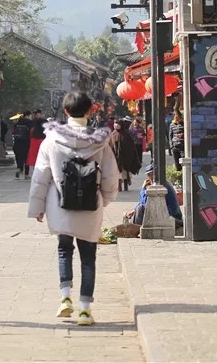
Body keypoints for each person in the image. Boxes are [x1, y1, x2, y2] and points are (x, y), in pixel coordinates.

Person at [27, 92, 119, 327]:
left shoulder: (51, 141)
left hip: (60, 206)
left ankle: (65, 297)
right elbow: (111, 177)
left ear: (66, 111)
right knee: (88, 258)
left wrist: (37, 207)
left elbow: (41, 177)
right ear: (89, 111)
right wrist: (105, 199)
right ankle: (85, 310)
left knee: (64, 250)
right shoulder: (101, 143)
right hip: (90, 206)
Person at [127, 165, 184, 232]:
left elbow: (147, 203)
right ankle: (130, 228)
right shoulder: (157, 184)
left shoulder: (162, 185)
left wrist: (143, 189)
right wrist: (134, 210)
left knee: (140, 209)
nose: (151, 177)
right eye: (149, 175)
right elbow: (143, 202)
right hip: (164, 213)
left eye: (152, 174)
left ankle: (133, 230)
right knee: (138, 209)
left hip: (172, 217)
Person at [110, 118, 141, 192]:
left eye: (118, 124)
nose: (116, 126)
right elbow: (110, 145)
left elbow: (130, 146)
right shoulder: (113, 134)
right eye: (115, 124)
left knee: (125, 172)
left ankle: (126, 185)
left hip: (125, 157)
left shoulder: (126, 134)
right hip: (115, 157)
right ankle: (119, 186)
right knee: (117, 172)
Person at [12, 112, 32, 179]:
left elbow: (13, 132)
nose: (31, 117)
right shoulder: (29, 123)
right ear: (27, 116)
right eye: (30, 116)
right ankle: (26, 175)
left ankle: (18, 169)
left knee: (19, 158)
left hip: (17, 143)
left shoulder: (17, 123)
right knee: (27, 159)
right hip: (26, 143)